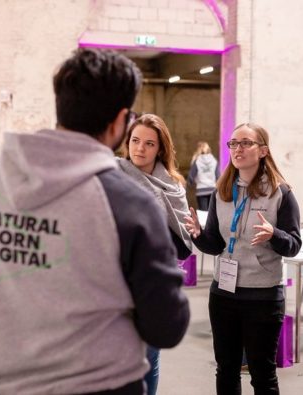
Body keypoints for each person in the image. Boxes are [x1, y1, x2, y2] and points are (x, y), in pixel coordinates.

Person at [0, 48, 190, 395]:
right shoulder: (130, 205)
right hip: (101, 386)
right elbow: (166, 326)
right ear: (121, 121)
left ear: (61, 106)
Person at [184, 123, 301, 395]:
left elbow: (293, 246)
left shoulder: (280, 193)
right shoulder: (221, 192)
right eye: (233, 143)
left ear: (263, 150)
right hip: (223, 295)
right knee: (226, 369)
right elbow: (216, 245)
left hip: (262, 297)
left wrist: (274, 235)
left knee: (262, 375)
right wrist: (199, 235)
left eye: (245, 143)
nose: (238, 149)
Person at [117, 113, 193, 395]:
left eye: (149, 144)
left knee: (150, 357)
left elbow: (183, 241)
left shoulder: (173, 185)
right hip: (118, 282)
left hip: (153, 285)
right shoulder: (113, 174)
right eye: (135, 141)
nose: (140, 149)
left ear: (160, 148)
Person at [187, 141, 220, 210]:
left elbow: (191, 177)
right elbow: (218, 176)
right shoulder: (214, 160)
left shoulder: (197, 161)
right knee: (212, 213)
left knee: (203, 214)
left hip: (201, 190)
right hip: (212, 189)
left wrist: (190, 184)